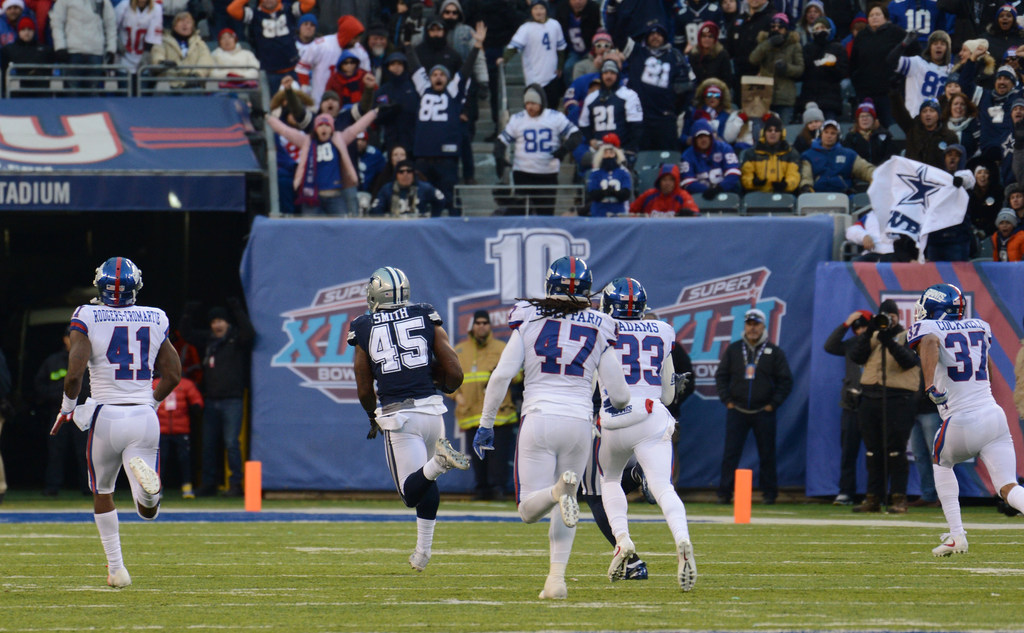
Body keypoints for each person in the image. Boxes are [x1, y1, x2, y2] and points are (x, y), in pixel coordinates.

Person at [474, 256, 630, 600]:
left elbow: (501, 376)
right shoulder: (600, 324)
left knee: (529, 508)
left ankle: (557, 492)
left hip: (540, 416)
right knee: (567, 501)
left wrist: (486, 423)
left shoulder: (529, 316)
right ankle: (556, 580)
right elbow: (619, 395)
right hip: (578, 423)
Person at [52, 257, 181, 587]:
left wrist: (67, 408)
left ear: (100, 285)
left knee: (102, 490)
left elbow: (75, 374)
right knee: (147, 510)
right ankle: (148, 497)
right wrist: (148, 402)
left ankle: (117, 570)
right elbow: (174, 374)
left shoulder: (87, 314)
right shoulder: (155, 316)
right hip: (143, 415)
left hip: (106, 415)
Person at [348, 266, 470, 572]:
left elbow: (363, 385)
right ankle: (422, 552)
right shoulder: (425, 313)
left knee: (409, 492)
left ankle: (440, 462)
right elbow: (455, 371)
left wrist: (371, 416)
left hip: (400, 415)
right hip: (433, 412)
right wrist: (442, 387)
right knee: (426, 482)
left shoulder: (363, 325)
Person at [595, 278, 697, 592]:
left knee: (609, 480)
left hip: (615, 417)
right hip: (652, 414)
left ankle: (622, 540)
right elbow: (668, 395)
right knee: (663, 486)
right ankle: (682, 538)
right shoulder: (663, 330)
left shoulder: (600, 327)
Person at [907, 283, 1024, 555]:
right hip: (993, 416)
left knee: (941, 463)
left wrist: (929, 386)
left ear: (935, 307)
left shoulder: (927, 329)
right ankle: (956, 536)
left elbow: (930, 341)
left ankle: (957, 535)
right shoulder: (979, 327)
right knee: (1008, 487)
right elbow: (987, 367)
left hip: (962, 418)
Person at [847, 299, 921, 513]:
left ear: (898, 317)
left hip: (899, 398)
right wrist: (871, 330)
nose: (888, 320)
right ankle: (873, 498)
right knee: (873, 451)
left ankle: (899, 498)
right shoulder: (872, 335)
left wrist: (889, 341)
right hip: (870, 396)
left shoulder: (908, 335)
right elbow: (856, 356)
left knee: (895, 451)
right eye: (884, 316)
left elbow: (908, 361)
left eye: (892, 316)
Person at [715, 308, 793, 505]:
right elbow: (721, 376)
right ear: (745, 326)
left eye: (756, 324)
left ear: (763, 326)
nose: (752, 328)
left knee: (767, 453)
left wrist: (773, 404)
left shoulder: (774, 352)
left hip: (763, 412)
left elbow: (786, 381)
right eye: (749, 324)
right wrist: (727, 400)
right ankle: (724, 493)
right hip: (737, 410)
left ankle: (769, 494)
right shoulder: (734, 350)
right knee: (731, 453)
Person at [409, 21, 485, 215]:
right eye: (434, 74)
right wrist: (408, 44)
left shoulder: (453, 92)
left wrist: (477, 47)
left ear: (448, 78)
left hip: (446, 159)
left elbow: (466, 70)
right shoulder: (423, 89)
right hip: (423, 157)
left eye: (442, 74)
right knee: (422, 202)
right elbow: (414, 64)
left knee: (450, 201)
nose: (438, 76)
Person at [266, 89, 379, 216]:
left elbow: (358, 126)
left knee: (342, 228)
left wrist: (375, 112)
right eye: (320, 125)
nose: (323, 128)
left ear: (332, 128)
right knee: (310, 230)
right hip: (312, 195)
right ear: (315, 128)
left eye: (327, 125)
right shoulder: (307, 141)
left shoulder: (340, 139)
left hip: (336, 195)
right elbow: (285, 131)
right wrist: (268, 117)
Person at [186, 298, 254, 497]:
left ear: (228, 323)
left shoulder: (236, 339)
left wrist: (237, 309)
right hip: (211, 400)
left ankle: (236, 484)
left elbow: (250, 334)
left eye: (221, 321)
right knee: (208, 444)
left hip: (232, 400)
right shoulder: (209, 341)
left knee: (232, 443)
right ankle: (209, 484)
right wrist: (188, 315)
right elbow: (188, 334)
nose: (217, 325)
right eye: (214, 321)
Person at [449, 310, 518, 501]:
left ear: (490, 326)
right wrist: (456, 396)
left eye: (485, 323)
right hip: (472, 414)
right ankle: (481, 489)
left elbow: (518, 375)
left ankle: (498, 489)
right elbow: (446, 376)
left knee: (499, 458)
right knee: (478, 458)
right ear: (473, 326)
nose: (481, 326)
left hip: (500, 414)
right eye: (478, 323)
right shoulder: (460, 350)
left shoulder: (502, 348)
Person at [494, 83, 582, 215]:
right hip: (523, 174)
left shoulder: (555, 117)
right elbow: (501, 141)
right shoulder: (517, 119)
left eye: (534, 103)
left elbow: (576, 135)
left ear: (542, 103)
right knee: (521, 214)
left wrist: (564, 149)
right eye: (527, 103)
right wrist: (499, 157)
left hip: (547, 174)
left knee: (545, 214)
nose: (530, 107)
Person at [823, 309, 871, 505]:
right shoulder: (850, 344)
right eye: (856, 327)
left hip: (872, 403)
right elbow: (830, 346)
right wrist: (845, 324)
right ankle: (845, 492)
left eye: (863, 325)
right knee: (848, 451)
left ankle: (874, 493)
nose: (860, 330)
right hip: (851, 405)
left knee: (875, 453)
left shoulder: (879, 344)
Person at [36, 327, 90, 497]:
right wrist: (56, 398)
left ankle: (88, 487)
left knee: (85, 452)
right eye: (69, 337)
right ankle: (52, 487)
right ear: (64, 339)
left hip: (82, 413)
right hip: (57, 413)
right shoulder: (52, 361)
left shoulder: (89, 361)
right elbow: (39, 385)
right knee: (55, 452)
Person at [499, 0, 566, 108]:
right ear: (531, 11)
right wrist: (504, 59)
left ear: (546, 10)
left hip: (551, 73)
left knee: (552, 105)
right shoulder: (526, 28)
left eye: (541, 8)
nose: (539, 12)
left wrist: (560, 66)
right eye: (535, 9)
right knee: (535, 106)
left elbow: (560, 48)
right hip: (533, 76)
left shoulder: (555, 25)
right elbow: (514, 47)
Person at [749, 13, 804, 124]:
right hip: (764, 95)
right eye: (773, 27)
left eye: (780, 27)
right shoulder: (764, 43)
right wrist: (768, 44)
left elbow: (800, 69)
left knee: (783, 131)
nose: (776, 29)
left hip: (784, 98)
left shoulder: (794, 45)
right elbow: (753, 59)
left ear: (786, 29)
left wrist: (786, 68)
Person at [50, 0, 117, 90]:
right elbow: (57, 23)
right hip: (72, 53)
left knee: (93, 95)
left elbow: (111, 25)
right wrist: (60, 47)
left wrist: (111, 49)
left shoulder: (104, 1)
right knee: (72, 94)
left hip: (95, 53)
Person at [155, 373, 202, 499]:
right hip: (162, 428)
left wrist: (197, 405)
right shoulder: (155, 383)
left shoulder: (185, 383)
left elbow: (196, 398)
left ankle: (187, 486)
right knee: (160, 460)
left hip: (181, 428)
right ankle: (157, 488)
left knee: (184, 459)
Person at [799, 119, 875, 193]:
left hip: (844, 195)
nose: (829, 136)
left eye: (833, 133)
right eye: (826, 132)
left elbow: (865, 169)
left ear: (838, 136)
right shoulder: (808, 155)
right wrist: (806, 187)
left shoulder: (849, 154)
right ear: (820, 134)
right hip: (816, 195)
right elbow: (806, 176)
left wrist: (877, 176)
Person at [739, 115, 802, 193]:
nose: (773, 133)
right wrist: (753, 183)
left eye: (776, 130)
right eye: (769, 130)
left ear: (782, 133)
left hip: (783, 195)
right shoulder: (751, 153)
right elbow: (746, 176)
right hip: (757, 195)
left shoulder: (791, 153)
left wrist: (785, 185)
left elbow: (794, 176)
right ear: (763, 133)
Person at [679, 119, 741, 198]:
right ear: (694, 139)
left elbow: (734, 173)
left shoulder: (724, 148)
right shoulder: (687, 156)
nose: (703, 139)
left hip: (727, 192)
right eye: (700, 137)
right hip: (701, 196)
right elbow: (687, 181)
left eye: (706, 136)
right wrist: (705, 190)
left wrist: (719, 189)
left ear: (711, 137)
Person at [150, 11, 214, 86]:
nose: (185, 24)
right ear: (174, 26)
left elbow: (205, 60)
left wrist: (197, 75)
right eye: (181, 21)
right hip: (168, 83)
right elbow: (157, 55)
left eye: (188, 22)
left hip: (192, 84)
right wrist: (161, 63)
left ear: (192, 27)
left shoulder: (200, 44)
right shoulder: (163, 42)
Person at [369, 159, 446, 216]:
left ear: (413, 174)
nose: (405, 174)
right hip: (394, 227)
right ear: (396, 175)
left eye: (409, 171)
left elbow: (441, 200)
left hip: (419, 227)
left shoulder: (424, 188)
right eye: (401, 172)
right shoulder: (387, 189)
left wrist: (432, 218)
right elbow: (376, 210)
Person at [629, 163, 699, 217]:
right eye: (664, 179)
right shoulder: (649, 195)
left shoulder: (683, 196)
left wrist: (689, 213)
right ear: (659, 181)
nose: (667, 183)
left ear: (676, 181)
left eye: (671, 180)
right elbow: (631, 213)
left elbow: (695, 214)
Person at [585, 140, 632, 216]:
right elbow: (592, 194)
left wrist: (615, 192)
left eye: (611, 153)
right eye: (605, 153)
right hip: (599, 211)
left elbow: (626, 194)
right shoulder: (595, 173)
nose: (608, 155)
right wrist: (604, 192)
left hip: (618, 210)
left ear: (616, 155)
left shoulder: (623, 172)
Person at [114, 0, 162, 74]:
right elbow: (112, 26)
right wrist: (116, 41)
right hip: (124, 55)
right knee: (125, 84)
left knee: (143, 82)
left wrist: (147, 52)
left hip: (143, 56)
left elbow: (153, 36)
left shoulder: (156, 8)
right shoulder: (124, 5)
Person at [843, 99, 895, 165]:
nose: (865, 119)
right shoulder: (851, 137)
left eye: (868, 116)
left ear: (873, 119)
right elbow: (848, 158)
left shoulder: (885, 136)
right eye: (862, 116)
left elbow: (890, 156)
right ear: (857, 120)